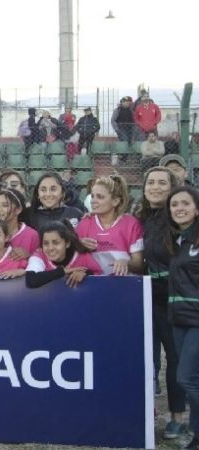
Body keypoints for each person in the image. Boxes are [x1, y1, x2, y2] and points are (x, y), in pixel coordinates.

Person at [134, 167, 186, 437]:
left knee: (175, 359)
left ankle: (177, 417)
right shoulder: (140, 217)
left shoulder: (178, 218)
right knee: (146, 359)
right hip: (143, 297)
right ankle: (147, 414)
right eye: (150, 182)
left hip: (172, 298)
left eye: (162, 183)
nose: (155, 187)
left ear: (172, 187)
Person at [164, 186, 199, 449]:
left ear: (196, 208)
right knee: (192, 378)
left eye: (185, 203)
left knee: (185, 378)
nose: (179, 208)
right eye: (174, 204)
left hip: (196, 318)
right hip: (179, 317)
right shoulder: (176, 239)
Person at [76, 175, 143, 276]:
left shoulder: (131, 223)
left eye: (100, 197)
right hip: (93, 285)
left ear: (115, 201)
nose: (93, 200)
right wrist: (78, 246)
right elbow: (71, 260)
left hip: (124, 284)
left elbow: (139, 264)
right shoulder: (84, 223)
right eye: (92, 196)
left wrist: (126, 263)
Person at [25, 220, 103, 288]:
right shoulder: (39, 256)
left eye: (56, 243)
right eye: (46, 243)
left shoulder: (82, 256)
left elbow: (99, 275)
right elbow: (31, 280)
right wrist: (63, 271)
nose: (50, 248)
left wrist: (85, 274)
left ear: (67, 243)